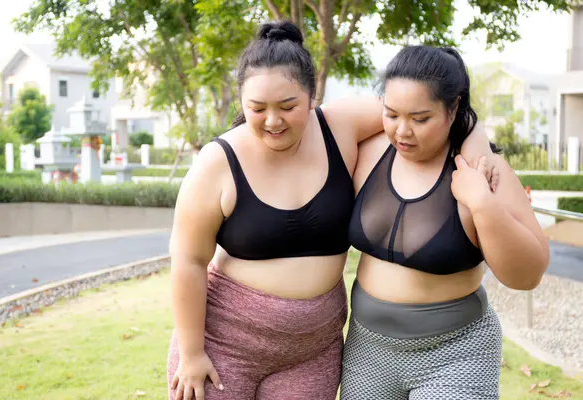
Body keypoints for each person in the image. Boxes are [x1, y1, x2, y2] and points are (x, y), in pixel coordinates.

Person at [167, 21, 497, 400]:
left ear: (313, 96)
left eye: (287, 106)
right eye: (257, 108)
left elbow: (435, 109)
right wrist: (192, 354)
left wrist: (478, 151)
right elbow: (188, 260)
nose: (273, 121)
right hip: (224, 345)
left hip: (311, 352)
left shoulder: (339, 125)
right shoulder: (218, 161)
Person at [340, 45, 549, 400]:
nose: (402, 131)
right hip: (367, 351)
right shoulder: (369, 149)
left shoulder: (482, 168)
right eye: (391, 114)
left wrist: (482, 203)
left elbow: (527, 275)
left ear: (453, 108)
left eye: (420, 119)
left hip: (456, 355)